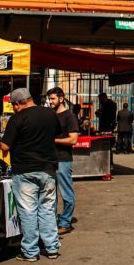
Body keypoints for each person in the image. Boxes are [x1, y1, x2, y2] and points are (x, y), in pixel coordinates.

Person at [0, 88, 62, 261]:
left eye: (14, 105)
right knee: (48, 209)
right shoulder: (50, 114)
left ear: (18, 103)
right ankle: (52, 248)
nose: (14, 108)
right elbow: (56, 134)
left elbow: (5, 146)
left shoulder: (17, 118)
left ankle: (30, 251)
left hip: (25, 170)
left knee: (28, 211)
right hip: (48, 168)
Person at [46, 87, 79, 235]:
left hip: (63, 160)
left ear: (61, 98)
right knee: (50, 194)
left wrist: (53, 140)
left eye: (52, 99)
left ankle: (65, 223)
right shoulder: (50, 115)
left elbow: (73, 139)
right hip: (49, 160)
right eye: (49, 99)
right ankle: (52, 222)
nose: (50, 102)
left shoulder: (69, 116)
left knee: (66, 193)